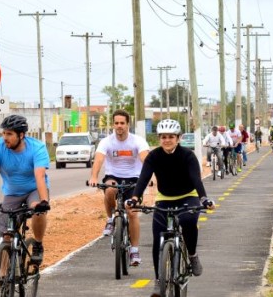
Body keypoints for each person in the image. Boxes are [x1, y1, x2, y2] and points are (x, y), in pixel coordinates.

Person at [126, 119, 215, 297]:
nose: (167, 140)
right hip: (164, 198)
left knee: (187, 220)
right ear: (159, 138)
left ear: (179, 138)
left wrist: (203, 198)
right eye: (164, 137)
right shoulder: (154, 156)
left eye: (171, 137)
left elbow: (196, 179)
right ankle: (158, 280)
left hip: (187, 197)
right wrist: (135, 197)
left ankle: (192, 255)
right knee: (158, 235)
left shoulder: (187, 156)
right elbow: (143, 178)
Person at [0, 115, 51, 265]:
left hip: (34, 189)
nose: (5, 137)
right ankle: (3, 279)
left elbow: (39, 176)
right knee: (6, 236)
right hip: (12, 193)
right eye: (3, 133)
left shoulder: (37, 148)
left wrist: (44, 201)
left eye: (9, 134)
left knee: (37, 210)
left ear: (21, 135)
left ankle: (38, 244)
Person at [88, 108, 150, 266]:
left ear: (128, 124)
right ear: (113, 125)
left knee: (132, 213)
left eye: (122, 123)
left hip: (134, 178)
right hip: (113, 176)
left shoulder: (137, 141)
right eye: (116, 123)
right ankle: (110, 219)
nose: (119, 126)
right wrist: (94, 177)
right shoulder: (106, 141)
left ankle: (134, 251)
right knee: (109, 189)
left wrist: (151, 177)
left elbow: (146, 160)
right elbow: (99, 160)